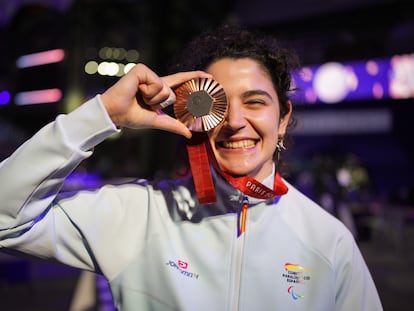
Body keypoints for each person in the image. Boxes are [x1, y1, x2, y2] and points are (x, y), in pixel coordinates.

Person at [0, 25, 382, 310]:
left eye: (255, 102)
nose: (234, 121)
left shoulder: (329, 243)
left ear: (282, 118)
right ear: (194, 112)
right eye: (218, 103)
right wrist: (103, 115)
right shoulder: (140, 215)